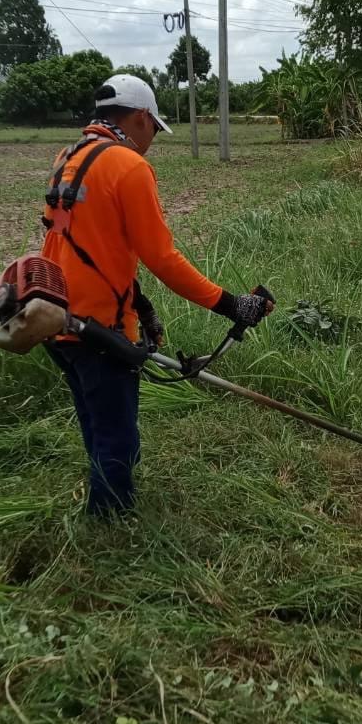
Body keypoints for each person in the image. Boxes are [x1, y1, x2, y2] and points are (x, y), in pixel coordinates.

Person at [40, 74, 271, 518]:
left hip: (56, 316)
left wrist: (141, 307)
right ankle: (110, 525)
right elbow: (163, 259)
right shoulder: (128, 166)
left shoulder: (68, 158)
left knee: (96, 424)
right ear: (143, 118)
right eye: (154, 130)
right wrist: (232, 304)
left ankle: (104, 504)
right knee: (118, 440)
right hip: (98, 328)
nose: (152, 142)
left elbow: (87, 246)